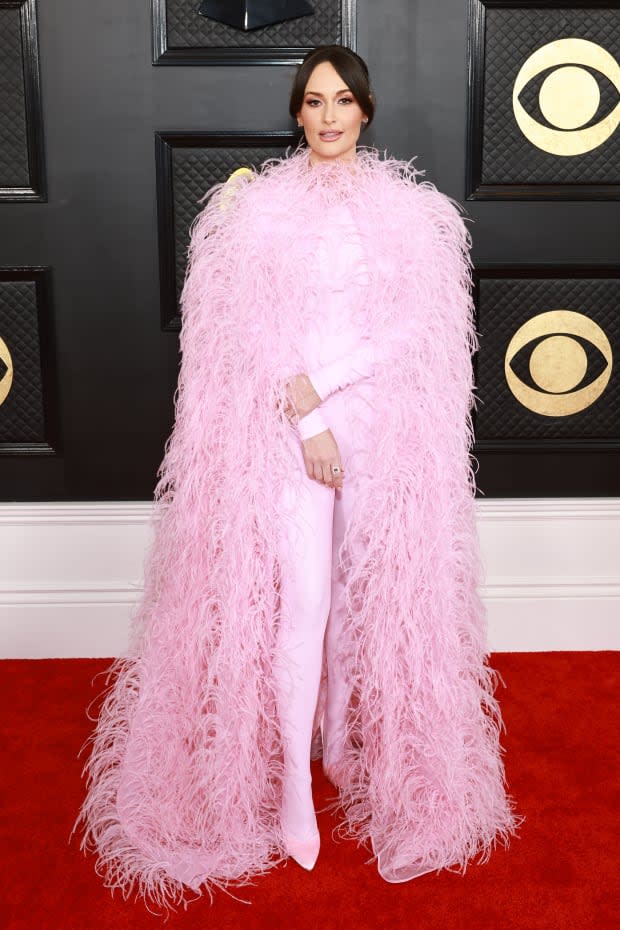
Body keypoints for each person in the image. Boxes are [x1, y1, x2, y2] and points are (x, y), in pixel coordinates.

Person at [77, 45, 520, 908]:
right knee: (303, 600)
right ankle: (286, 794)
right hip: (283, 434)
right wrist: (309, 416)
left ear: (366, 111)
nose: (327, 116)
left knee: (369, 599)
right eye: (313, 101)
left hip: (379, 428)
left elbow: (414, 330)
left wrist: (330, 389)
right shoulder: (256, 212)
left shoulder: (411, 212)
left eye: (342, 100)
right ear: (297, 112)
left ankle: (348, 750)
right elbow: (245, 330)